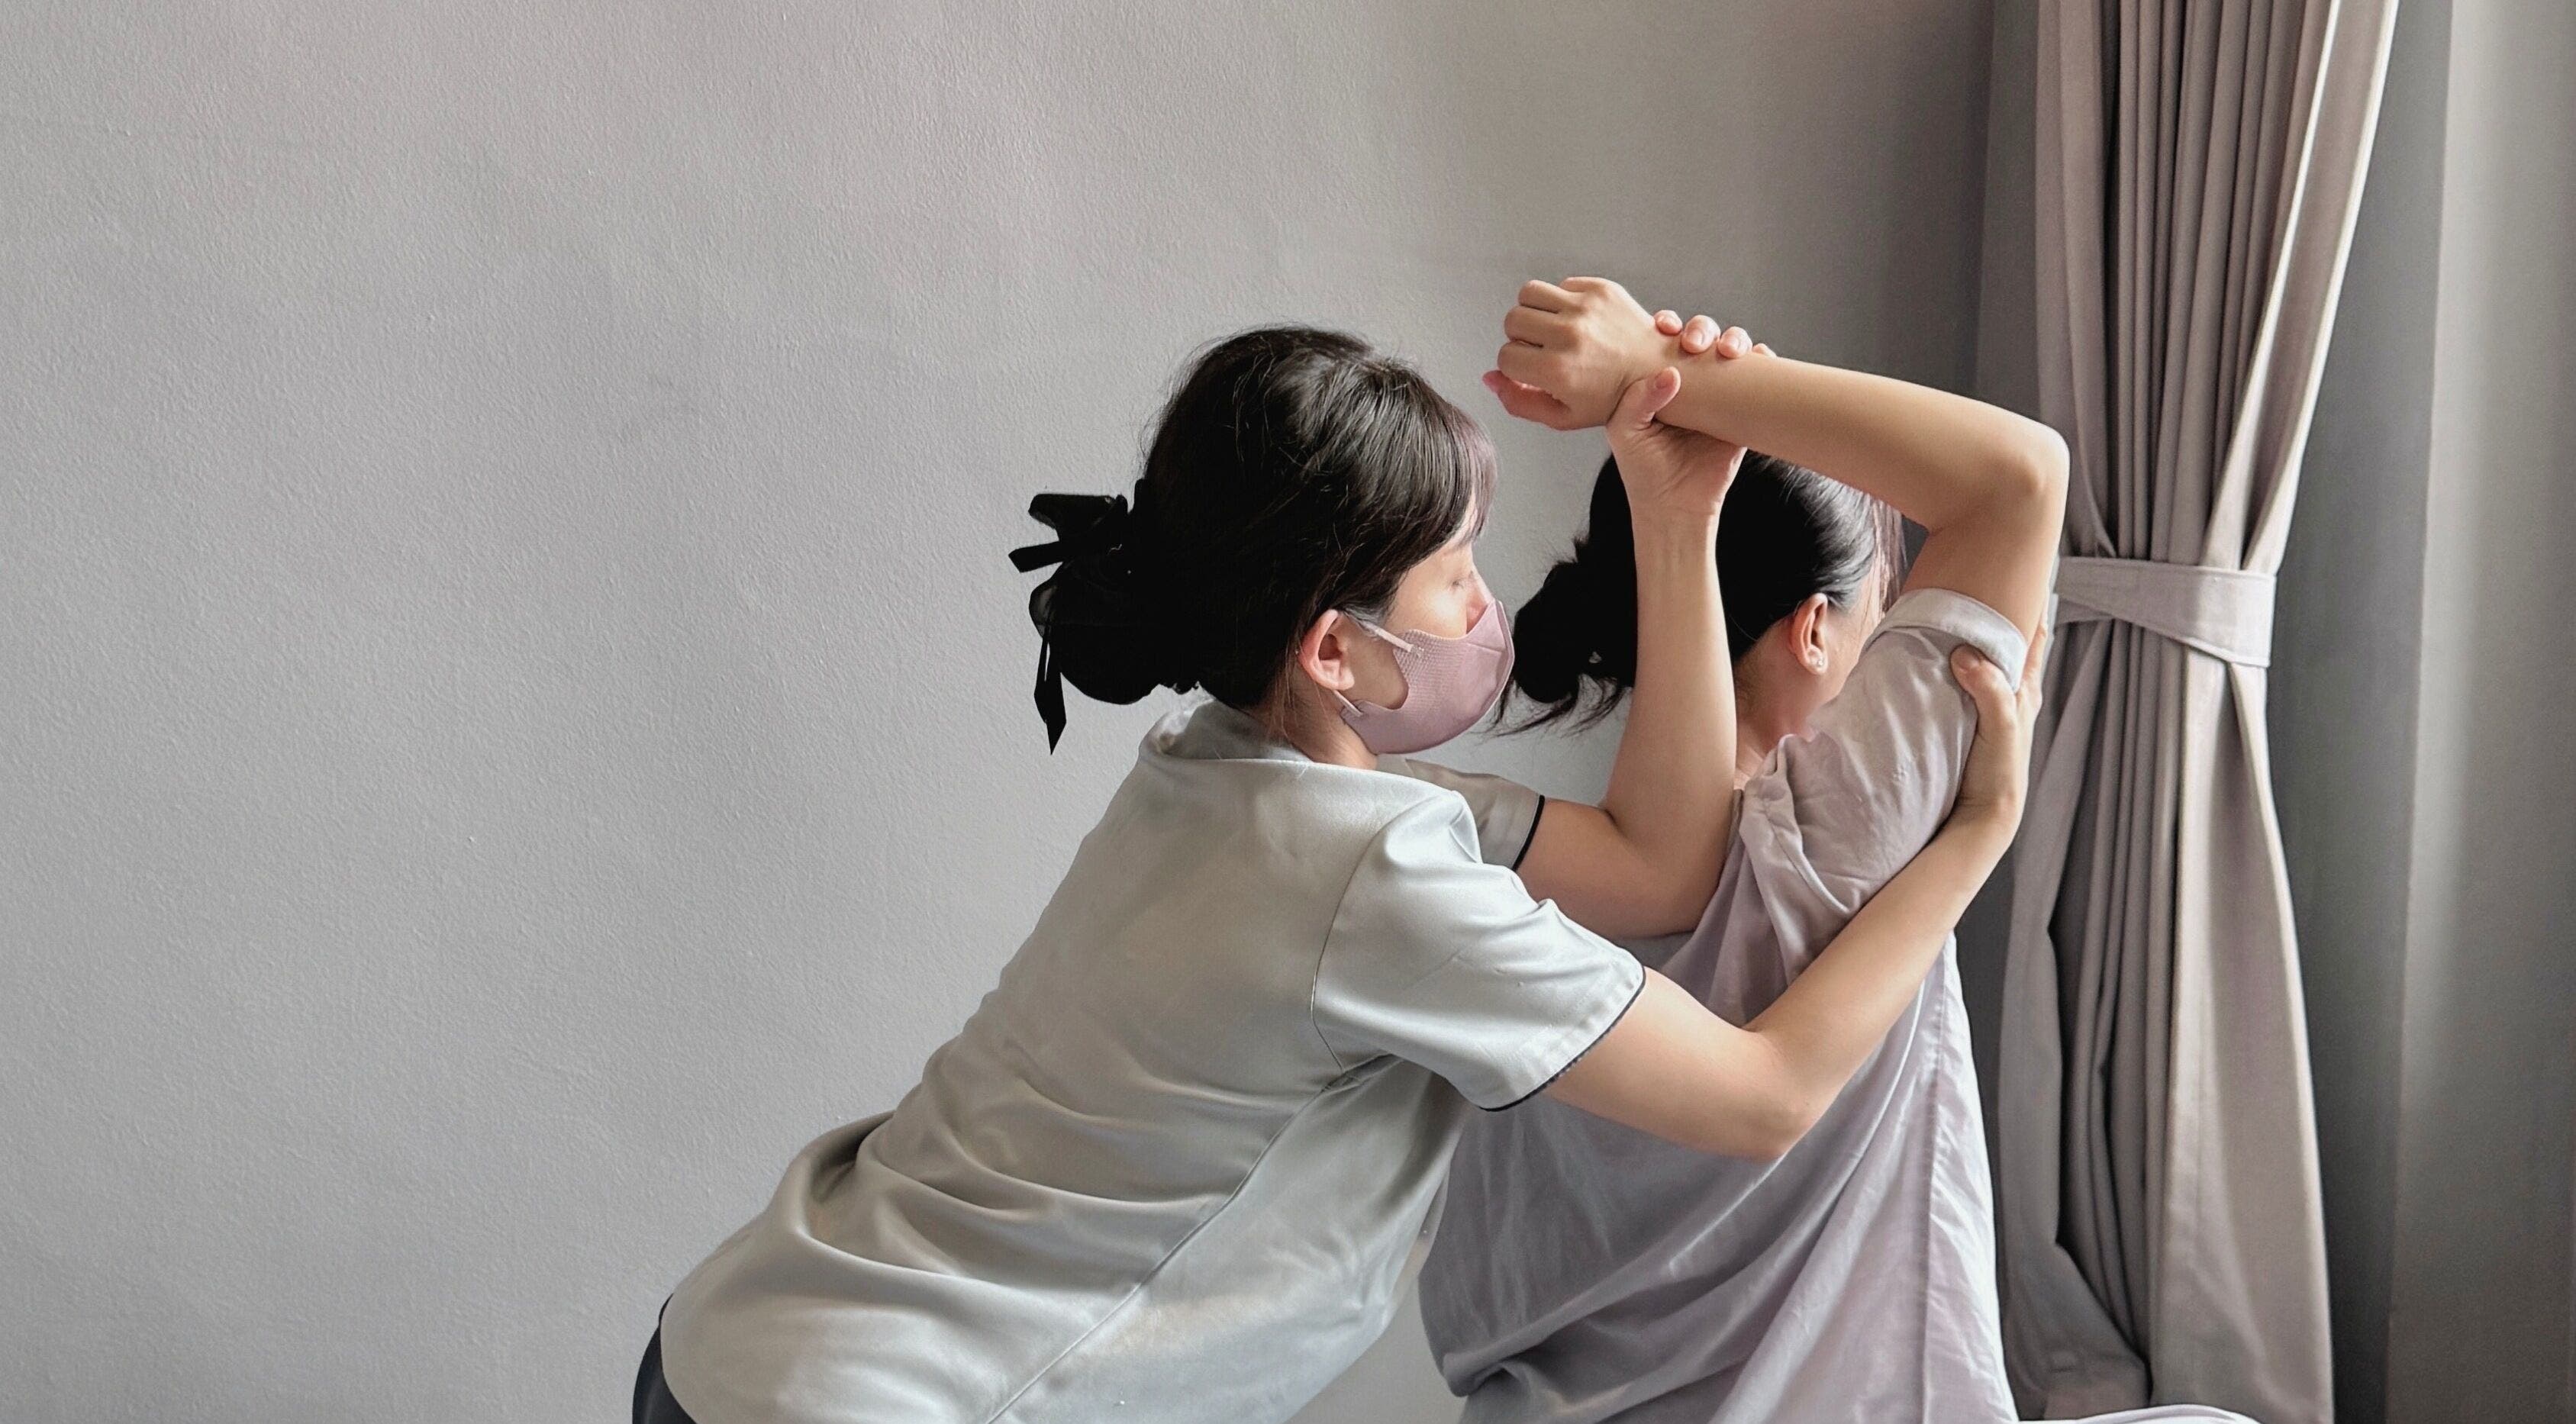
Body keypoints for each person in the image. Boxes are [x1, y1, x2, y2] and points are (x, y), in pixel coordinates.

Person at [633, 315, 2037, 1424]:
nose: (1492, 604)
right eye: (1454, 576)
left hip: (747, 1333)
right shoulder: (1375, 874)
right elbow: (1765, 1094)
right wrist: (1971, 841)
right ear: (1334, 647)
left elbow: (1663, 867)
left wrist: (1672, 500)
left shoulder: (1231, 783)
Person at [1417, 284, 2241, 1424]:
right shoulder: (1834, 835)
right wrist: (1669, 374)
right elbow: (2017, 480)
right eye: (1880, 614)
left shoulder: (1519, 879)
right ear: (1814, 629)